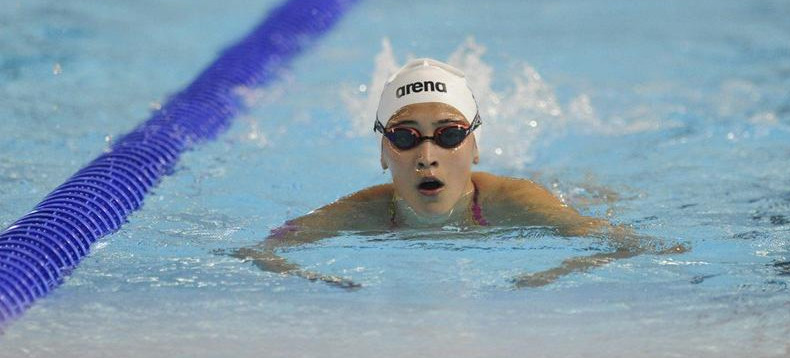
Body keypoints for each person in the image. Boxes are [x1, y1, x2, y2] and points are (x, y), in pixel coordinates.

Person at [231, 58, 684, 288]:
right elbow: (256, 251)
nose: (427, 156)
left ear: (476, 146)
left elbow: (641, 244)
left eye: (448, 135)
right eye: (405, 137)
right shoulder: (364, 213)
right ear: (383, 153)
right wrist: (321, 281)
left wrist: (554, 274)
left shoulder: (514, 202)